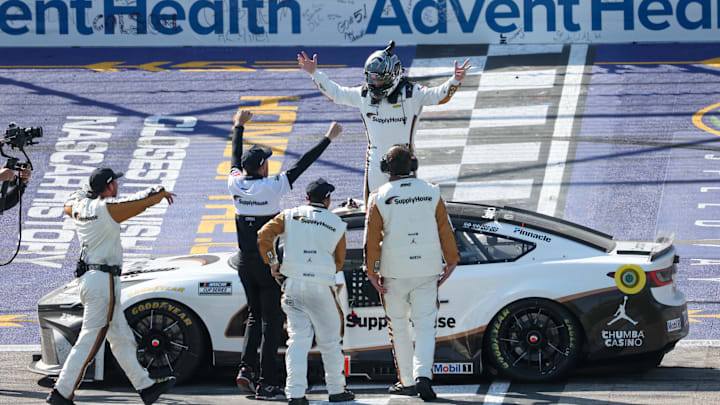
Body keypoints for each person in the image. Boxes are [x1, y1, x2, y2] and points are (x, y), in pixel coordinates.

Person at [229, 110, 343, 399]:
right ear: (264, 166)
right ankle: (266, 382)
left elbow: (234, 159)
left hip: (243, 261)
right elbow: (303, 163)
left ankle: (245, 368)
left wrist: (238, 127)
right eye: (267, 160)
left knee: (254, 316)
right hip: (267, 263)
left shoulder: (234, 183)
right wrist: (328, 138)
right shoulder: (272, 186)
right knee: (271, 321)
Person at [47, 167, 176, 405]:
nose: (118, 185)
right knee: (90, 340)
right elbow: (138, 203)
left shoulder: (78, 206)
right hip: (103, 282)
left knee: (121, 338)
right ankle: (61, 392)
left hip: (92, 280)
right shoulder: (106, 209)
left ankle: (146, 387)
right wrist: (159, 192)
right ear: (109, 187)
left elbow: (68, 202)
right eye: (115, 182)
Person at [298, 41, 471, 200]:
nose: (375, 84)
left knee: (407, 206)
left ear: (393, 75)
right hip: (375, 164)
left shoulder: (412, 93)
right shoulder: (363, 95)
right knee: (372, 209)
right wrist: (315, 73)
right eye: (371, 78)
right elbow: (336, 93)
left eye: (379, 79)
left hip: (405, 163)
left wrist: (455, 80)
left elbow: (438, 96)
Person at [363, 145, 460, 401]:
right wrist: (451, 260)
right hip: (427, 269)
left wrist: (371, 271)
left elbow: (370, 240)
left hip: (393, 272)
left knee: (399, 327)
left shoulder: (378, 196)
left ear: (385, 168)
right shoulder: (431, 191)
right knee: (426, 326)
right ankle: (423, 377)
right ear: (413, 166)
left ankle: (406, 381)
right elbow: (445, 230)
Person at [257, 178, 355, 405]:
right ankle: (337, 390)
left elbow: (264, 235)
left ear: (307, 198)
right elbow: (339, 261)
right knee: (330, 342)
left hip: (291, 286)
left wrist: (273, 263)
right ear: (328, 199)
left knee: (297, 341)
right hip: (321, 287)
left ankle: (295, 393)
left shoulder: (290, 215)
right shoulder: (336, 223)